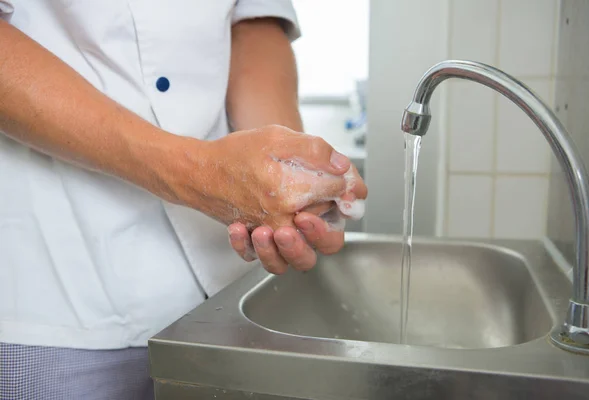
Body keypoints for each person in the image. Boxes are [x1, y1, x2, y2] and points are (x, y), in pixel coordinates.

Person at [0, 1, 367, 399]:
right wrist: (199, 174)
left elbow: (254, 23)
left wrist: (283, 169)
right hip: (58, 284)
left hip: (226, 297)